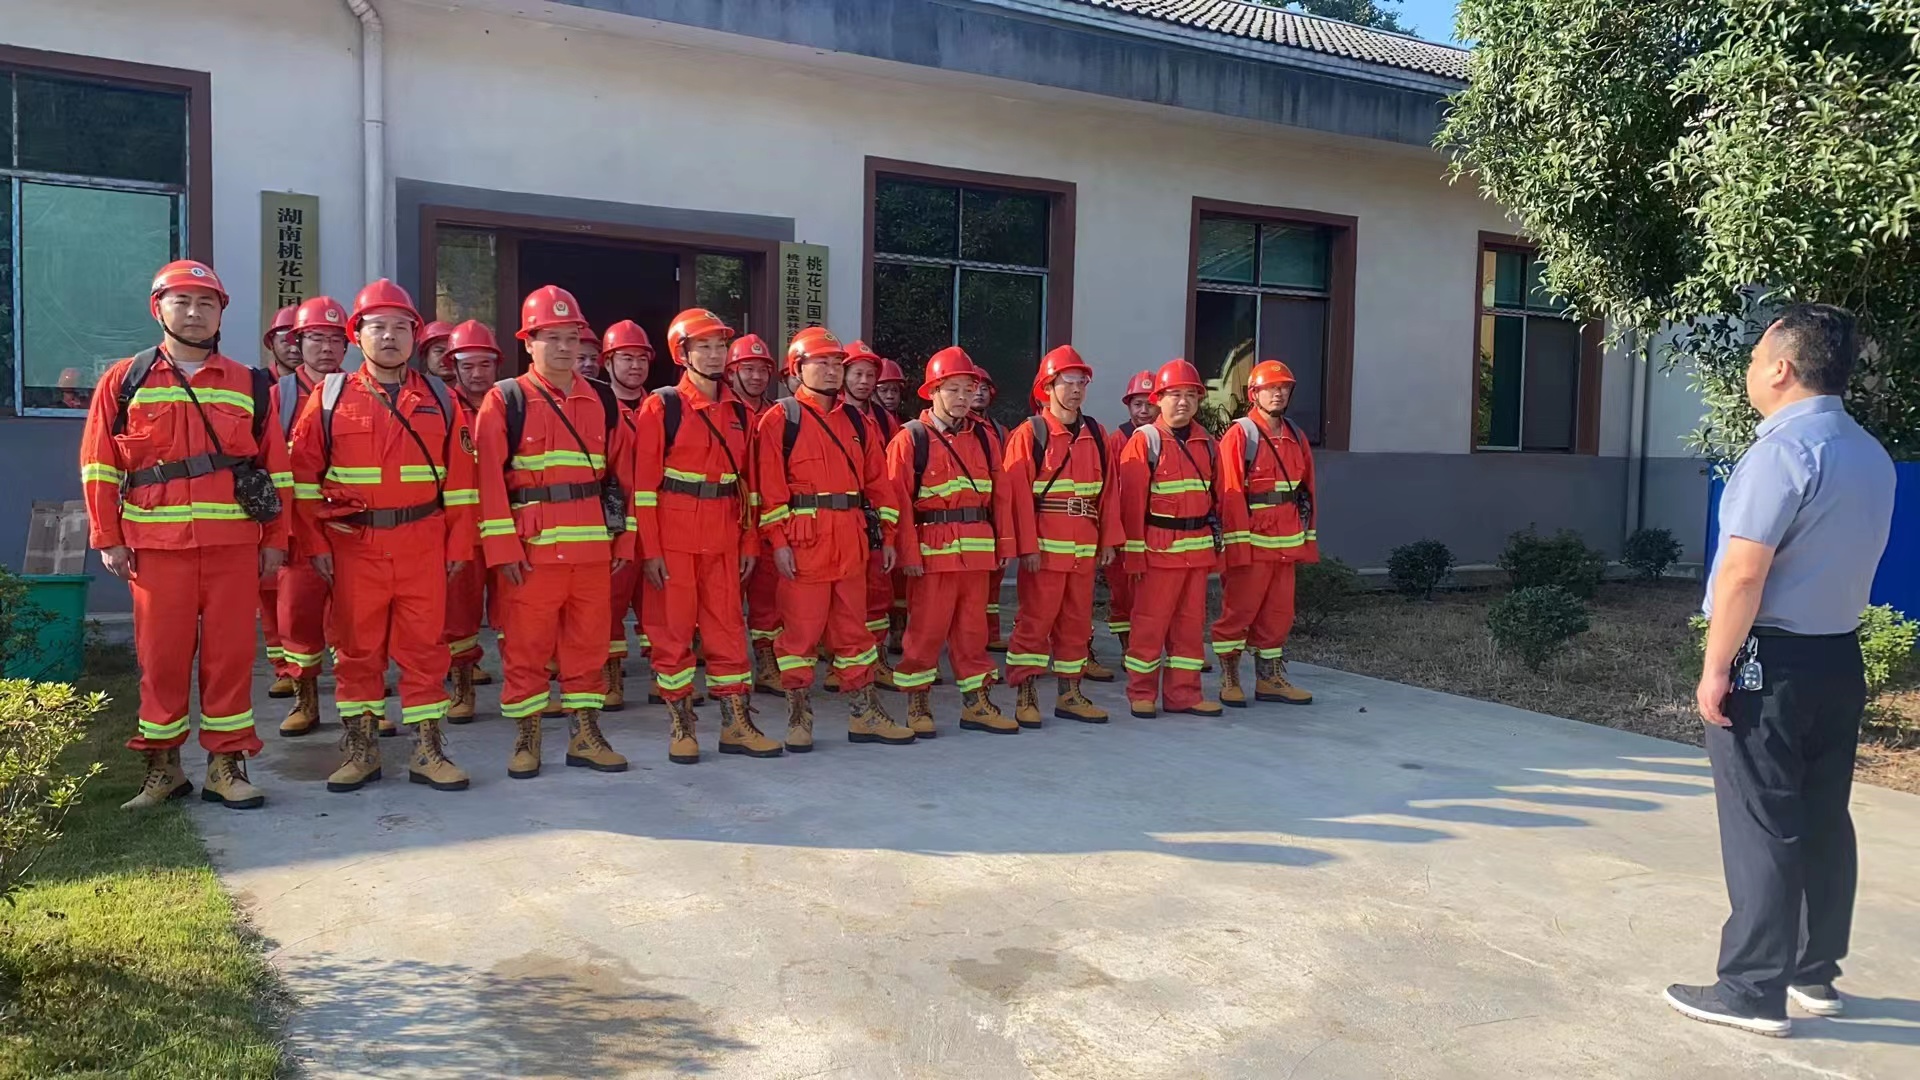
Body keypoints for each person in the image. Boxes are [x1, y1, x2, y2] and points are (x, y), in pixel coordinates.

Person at [1665, 304, 1896, 1038]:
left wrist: (1716, 666)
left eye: (1755, 356)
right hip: (1838, 654)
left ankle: (1750, 988)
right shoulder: (1868, 453)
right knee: (1822, 815)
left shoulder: (1782, 453)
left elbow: (1743, 572)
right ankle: (1812, 972)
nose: (1749, 369)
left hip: (1770, 658)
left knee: (1762, 821)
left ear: (1782, 369)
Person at [87, 260, 290, 811]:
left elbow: (276, 470)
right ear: (158, 309)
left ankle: (227, 766)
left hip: (233, 549)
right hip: (157, 551)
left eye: (207, 303)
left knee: (230, 659)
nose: (195, 313)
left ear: (222, 313)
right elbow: (99, 464)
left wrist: (276, 539)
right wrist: (108, 536)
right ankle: (163, 769)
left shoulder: (251, 384)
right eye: (183, 301)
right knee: (162, 661)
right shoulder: (125, 380)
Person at [288, 279, 478, 794]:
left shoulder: (441, 398)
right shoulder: (330, 397)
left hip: (423, 543)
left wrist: (458, 546)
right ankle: (361, 750)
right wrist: (317, 546)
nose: (390, 337)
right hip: (355, 547)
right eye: (378, 327)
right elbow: (302, 481)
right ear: (357, 335)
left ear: (415, 335)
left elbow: (463, 484)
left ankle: (428, 750)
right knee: (356, 648)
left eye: (400, 327)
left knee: (426, 649)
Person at [475, 286, 636, 779]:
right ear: (529, 342)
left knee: (588, 646)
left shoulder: (602, 400)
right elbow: (487, 481)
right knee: (526, 648)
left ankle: (586, 735)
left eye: (572, 337)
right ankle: (527, 737)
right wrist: (502, 549)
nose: (565, 347)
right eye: (552, 337)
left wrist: (625, 539)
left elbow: (624, 478)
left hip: (591, 549)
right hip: (532, 551)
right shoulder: (506, 398)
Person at [753, 327, 911, 751]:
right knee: (799, 636)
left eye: (836, 363)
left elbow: (879, 485)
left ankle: (865, 714)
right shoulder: (781, 418)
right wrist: (778, 542)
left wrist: (889, 535)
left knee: (855, 632)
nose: (830, 370)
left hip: (850, 539)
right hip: (804, 543)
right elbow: (769, 491)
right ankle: (798, 716)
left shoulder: (858, 420)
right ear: (797, 368)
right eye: (820, 362)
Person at [633, 309, 775, 763]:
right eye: (704, 347)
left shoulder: (740, 412)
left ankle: (736, 724)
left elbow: (750, 487)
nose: (715, 355)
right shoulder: (663, 406)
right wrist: (649, 549)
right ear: (683, 353)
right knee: (672, 633)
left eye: (720, 346)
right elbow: (643, 488)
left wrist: (749, 542)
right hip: (673, 538)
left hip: (724, 535)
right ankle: (682, 724)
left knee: (728, 630)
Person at [888, 348, 1017, 736]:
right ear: (933, 391)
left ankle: (976, 703)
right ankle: (917, 701)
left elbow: (1001, 497)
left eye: (968, 389)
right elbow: (897, 503)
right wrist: (907, 553)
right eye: (953, 389)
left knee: (973, 633)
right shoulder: (911, 438)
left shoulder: (986, 438)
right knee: (925, 632)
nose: (962, 397)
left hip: (977, 552)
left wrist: (1004, 544)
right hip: (933, 553)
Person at [1001, 346, 1122, 727]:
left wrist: (1108, 540)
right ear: (1047, 387)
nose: (1076, 389)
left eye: (1081, 382)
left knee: (1077, 623)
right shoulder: (1030, 434)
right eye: (1067, 382)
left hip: (1083, 549)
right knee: (1035, 622)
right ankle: (1026, 692)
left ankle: (1070, 693)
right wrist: (1026, 547)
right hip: (1045, 550)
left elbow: (1109, 492)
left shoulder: (1097, 434)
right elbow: (1015, 496)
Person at [1117, 359, 1225, 719]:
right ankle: (1141, 692)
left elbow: (1218, 500)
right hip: (1158, 552)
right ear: (1158, 400)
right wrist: (1134, 555)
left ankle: (1184, 694)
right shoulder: (1145, 441)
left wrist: (1218, 552)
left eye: (1191, 395)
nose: (1183, 402)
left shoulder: (1208, 444)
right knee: (1149, 625)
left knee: (1189, 628)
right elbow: (1131, 506)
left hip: (1196, 552)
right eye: (1175, 394)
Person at [1212, 360, 1317, 707]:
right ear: (1254, 394)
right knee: (1239, 612)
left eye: (1284, 388)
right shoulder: (1240, 435)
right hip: (1252, 544)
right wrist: (1236, 547)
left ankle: (1269, 679)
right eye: (1271, 388)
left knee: (1278, 614)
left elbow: (1307, 490)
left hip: (1286, 543)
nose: (1278, 393)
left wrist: (1307, 538)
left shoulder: (1296, 435)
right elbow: (1229, 493)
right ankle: (1230, 677)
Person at [273, 296, 352, 737]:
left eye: (335, 340)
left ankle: (359, 702)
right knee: (297, 616)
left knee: (354, 617)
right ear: (298, 343)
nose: (326, 348)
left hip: (348, 527)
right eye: (316, 338)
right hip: (297, 529)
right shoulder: (279, 397)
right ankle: (305, 700)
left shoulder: (359, 392)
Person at [442, 319, 502, 722]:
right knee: (458, 616)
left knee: (515, 614)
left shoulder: (512, 402)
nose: (477, 373)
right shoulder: (442, 406)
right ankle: (463, 689)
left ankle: (523, 688)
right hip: (461, 531)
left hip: (509, 528)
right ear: (454, 367)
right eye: (468, 365)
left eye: (485, 364)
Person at [840, 341, 904, 691]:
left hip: (873, 518)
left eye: (869, 375)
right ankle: (840, 662)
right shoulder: (829, 414)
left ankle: (876, 660)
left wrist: (890, 527)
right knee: (840, 597)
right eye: (857, 374)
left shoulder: (883, 420)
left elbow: (890, 476)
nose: (864, 382)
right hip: (837, 516)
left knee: (878, 594)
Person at [600, 319, 655, 709]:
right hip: (614, 522)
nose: (635, 366)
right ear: (608, 363)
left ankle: (665, 673)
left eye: (641, 358)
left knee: (660, 602)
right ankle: (610, 674)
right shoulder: (597, 409)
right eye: (626, 358)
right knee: (609, 603)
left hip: (656, 521)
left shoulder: (663, 407)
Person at [730, 334, 787, 693]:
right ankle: (726, 664)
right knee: (726, 598)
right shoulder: (720, 411)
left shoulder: (780, 415)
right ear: (731, 372)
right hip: (727, 516)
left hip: (769, 516)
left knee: (769, 596)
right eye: (747, 369)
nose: (755, 376)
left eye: (762, 370)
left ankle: (767, 662)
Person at [259, 304, 304, 698]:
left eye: (298, 338)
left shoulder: (337, 387)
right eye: (283, 339)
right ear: (270, 343)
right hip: (275, 506)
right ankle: (284, 667)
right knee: (272, 592)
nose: (292, 346)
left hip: (319, 507)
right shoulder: (259, 389)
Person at [1100, 370, 1157, 670]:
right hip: (1123, 531)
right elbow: (1107, 490)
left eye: (1149, 403)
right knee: (1122, 593)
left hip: (1158, 531)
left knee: (1155, 594)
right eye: (1137, 404)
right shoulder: (1116, 440)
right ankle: (1127, 647)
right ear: (1128, 406)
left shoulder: (1165, 438)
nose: (1144, 410)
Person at [970, 370, 1013, 652]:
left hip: (991, 515)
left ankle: (991, 633)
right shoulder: (955, 429)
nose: (979, 392)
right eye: (974, 387)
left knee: (993, 581)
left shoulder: (999, 432)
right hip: (964, 517)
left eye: (985, 388)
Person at [874, 358, 912, 656]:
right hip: (871, 506)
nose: (889, 396)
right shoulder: (861, 420)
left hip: (897, 503)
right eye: (884, 390)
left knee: (899, 577)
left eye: (894, 391)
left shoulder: (905, 427)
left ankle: (898, 630)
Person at [263, 305, 300, 376]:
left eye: (301, 342)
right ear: (271, 343)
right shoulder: (255, 381)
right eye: (286, 341)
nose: (295, 349)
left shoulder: (322, 381)